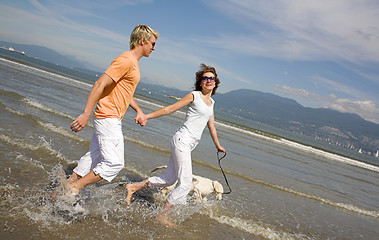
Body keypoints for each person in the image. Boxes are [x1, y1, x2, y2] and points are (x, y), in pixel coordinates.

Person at [51, 24, 159, 200]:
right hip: (108, 117)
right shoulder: (126, 60)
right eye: (152, 43)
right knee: (114, 163)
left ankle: (57, 194)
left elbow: (125, 92)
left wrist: (138, 110)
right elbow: (99, 84)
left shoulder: (133, 63)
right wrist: (86, 113)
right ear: (142, 41)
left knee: (93, 158)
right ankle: (74, 187)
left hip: (111, 117)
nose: (154, 48)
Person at [126, 63, 225, 226]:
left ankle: (133, 187)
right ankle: (162, 215)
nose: (208, 80)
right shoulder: (194, 95)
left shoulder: (211, 103)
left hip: (189, 143)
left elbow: (211, 125)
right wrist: (146, 117)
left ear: (215, 82)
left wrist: (217, 145)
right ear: (200, 82)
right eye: (205, 78)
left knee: (168, 178)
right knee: (185, 184)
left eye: (211, 78)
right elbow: (170, 109)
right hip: (182, 140)